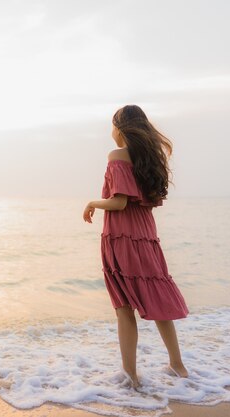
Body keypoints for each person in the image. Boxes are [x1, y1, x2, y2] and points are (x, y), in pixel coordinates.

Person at [82, 104, 189, 390]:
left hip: (122, 236)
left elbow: (118, 203)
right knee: (157, 299)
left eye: (112, 125)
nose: (111, 131)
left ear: (120, 127)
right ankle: (178, 366)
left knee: (124, 307)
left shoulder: (117, 156)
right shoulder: (150, 159)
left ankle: (130, 375)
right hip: (146, 236)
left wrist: (93, 202)